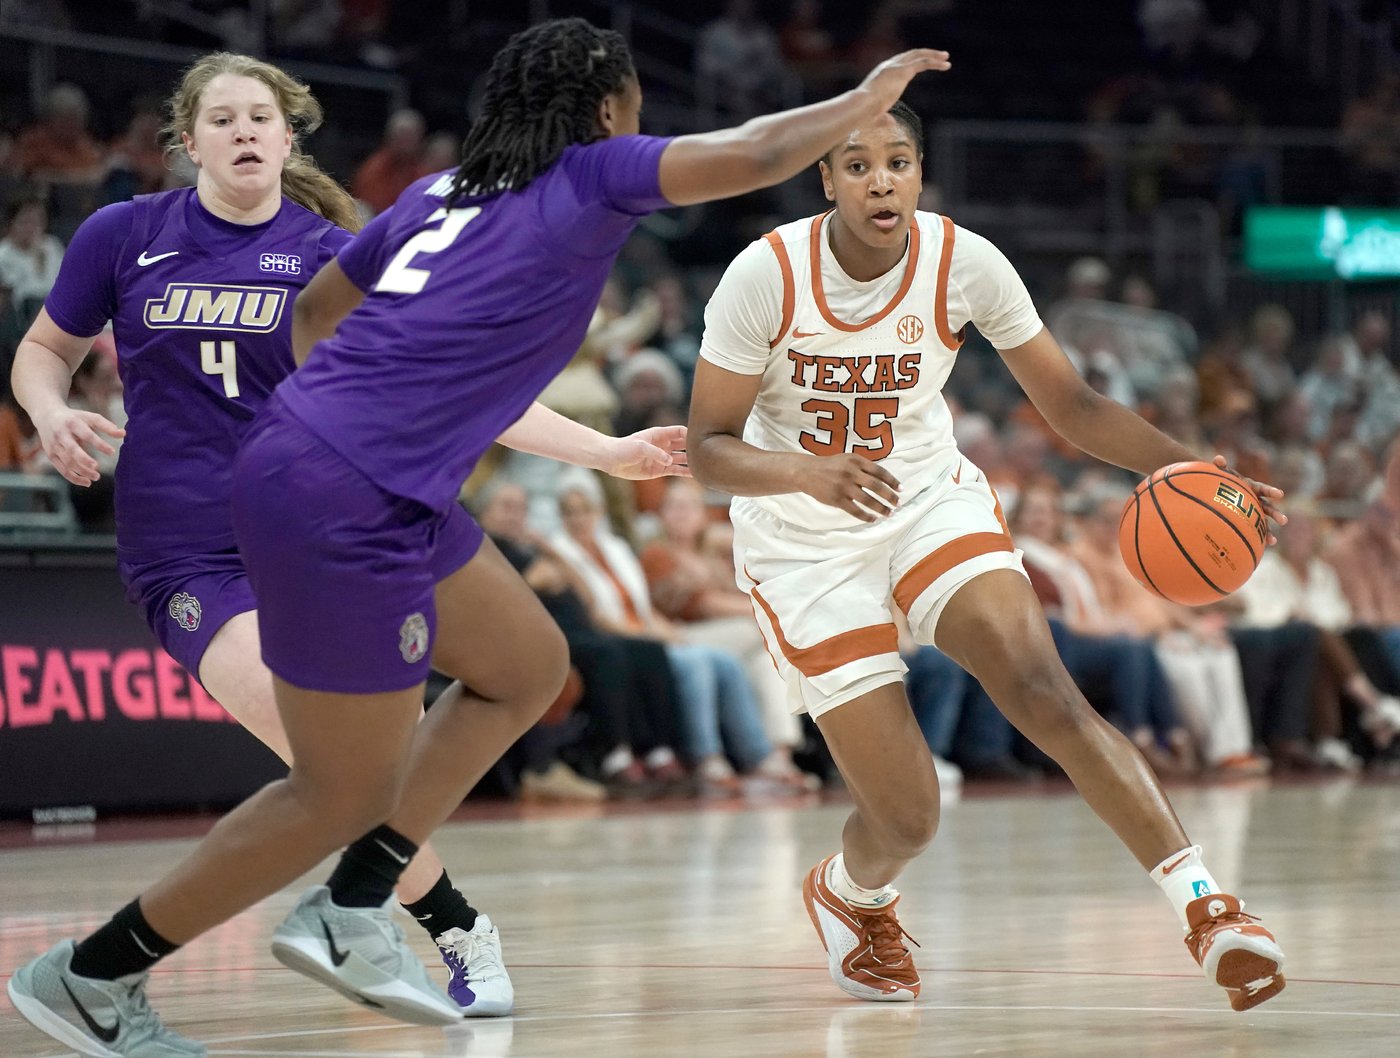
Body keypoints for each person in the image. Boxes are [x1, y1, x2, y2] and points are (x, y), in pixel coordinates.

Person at [9, 20, 952, 1057]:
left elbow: (316, 316)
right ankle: (95, 972)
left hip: (342, 469)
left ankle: (355, 899)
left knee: (524, 662)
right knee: (340, 788)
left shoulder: (442, 192)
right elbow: (759, 150)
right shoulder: (595, 173)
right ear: (604, 109)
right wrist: (868, 97)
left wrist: (404, 405)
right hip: (336, 490)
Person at [4, 44, 686, 1052]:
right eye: (221, 118)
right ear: (186, 140)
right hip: (197, 547)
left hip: (345, 509)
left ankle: (370, 911)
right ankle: (442, 920)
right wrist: (50, 409)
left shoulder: (337, 250)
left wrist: (604, 450)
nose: (242, 132)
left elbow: (451, 382)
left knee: (479, 694)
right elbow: (41, 349)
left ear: (289, 136)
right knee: (328, 763)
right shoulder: (124, 233)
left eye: (260, 117)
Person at [686, 98, 1287, 1010]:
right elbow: (707, 448)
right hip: (804, 543)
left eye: (896, 161)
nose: (879, 179)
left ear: (920, 173)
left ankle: (1208, 910)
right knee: (908, 815)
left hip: (927, 503)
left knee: (1046, 691)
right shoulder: (764, 276)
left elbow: (1075, 407)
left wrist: (1200, 470)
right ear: (826, 178)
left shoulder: (965, 262)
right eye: (856, 165)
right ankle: (852, 893)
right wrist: (805, 472)